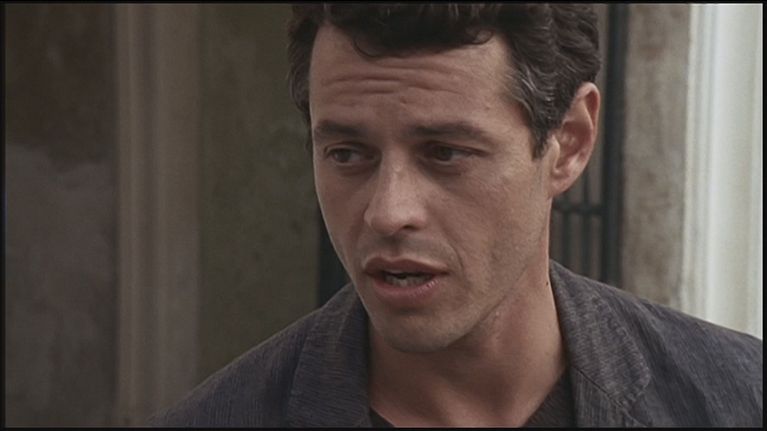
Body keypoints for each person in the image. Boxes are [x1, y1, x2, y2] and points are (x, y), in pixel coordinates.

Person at [150, 4, 762, 427]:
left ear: (569, 143)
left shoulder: (739, 399)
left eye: (445, 153)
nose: (388, 212)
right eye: (348, 154)